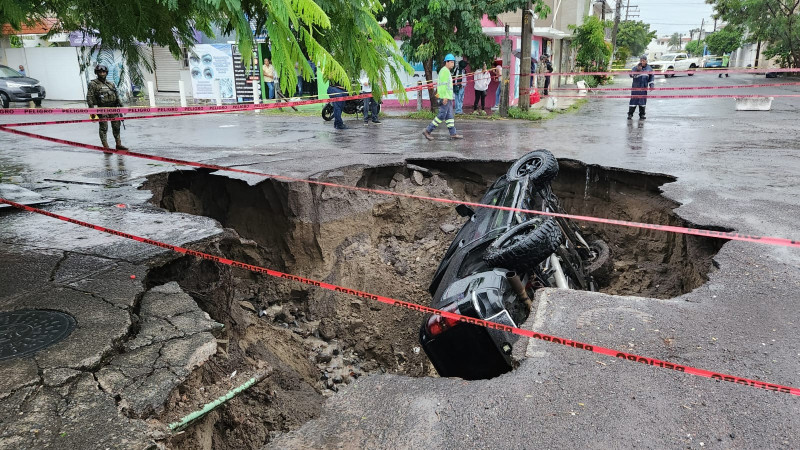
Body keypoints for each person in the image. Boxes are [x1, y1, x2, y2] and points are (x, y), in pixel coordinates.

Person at [422, 54, 463, 140]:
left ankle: (453, 133)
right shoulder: (444, 71)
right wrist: (444, 97)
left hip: (448, 97)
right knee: (441, 115)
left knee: (449, 117)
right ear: (446, 62)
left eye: (453, 62)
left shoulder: (446, 71)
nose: (453, 64)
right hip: (445, 98)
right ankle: (427, 131)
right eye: (451, 62)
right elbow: (443, 86)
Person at [87, 64, 128, 150]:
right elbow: (89, 97)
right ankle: (106, 147)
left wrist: (122, 106)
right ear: (96, 73)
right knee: (103, 128)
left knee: (117, 126)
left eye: (104, 72)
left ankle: (118, 144)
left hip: (113, 108)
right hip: (102, 109)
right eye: (100, 72)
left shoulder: (110, 84)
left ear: (106, 72)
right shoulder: (93, 84)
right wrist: (92, 112)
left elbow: (117, 96)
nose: (102, 73)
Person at [628, 55, 654, 120]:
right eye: (641, 61)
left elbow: (651, 77)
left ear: (646, 61)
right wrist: (637, 70)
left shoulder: (649, 69)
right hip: (635, 89)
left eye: (643, 61)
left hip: (643, 89)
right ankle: (630, 114)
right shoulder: (635, 68)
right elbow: (631, 75)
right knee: (633, 102)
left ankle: (642, 115)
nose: (642, 62)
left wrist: (651, 85)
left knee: (642, 102)